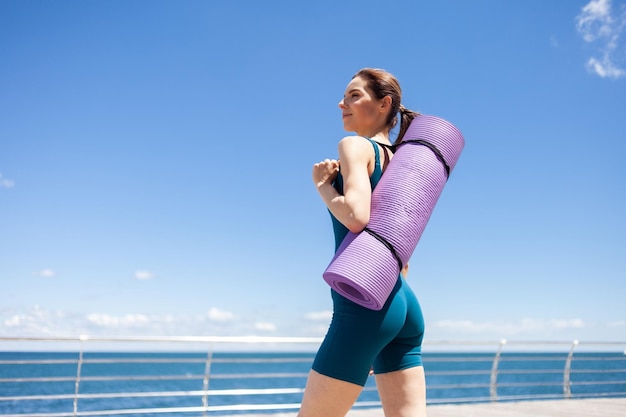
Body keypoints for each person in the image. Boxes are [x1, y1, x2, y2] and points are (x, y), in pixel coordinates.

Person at [300, 68, 427, 417]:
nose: (342, 103)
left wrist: (323, 185)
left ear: (384, 104)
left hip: (363, 307)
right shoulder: (403, 160)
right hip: (401, 302)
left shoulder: (354, 146)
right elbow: (402, 256)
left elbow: (356, 217)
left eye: (354, 95)